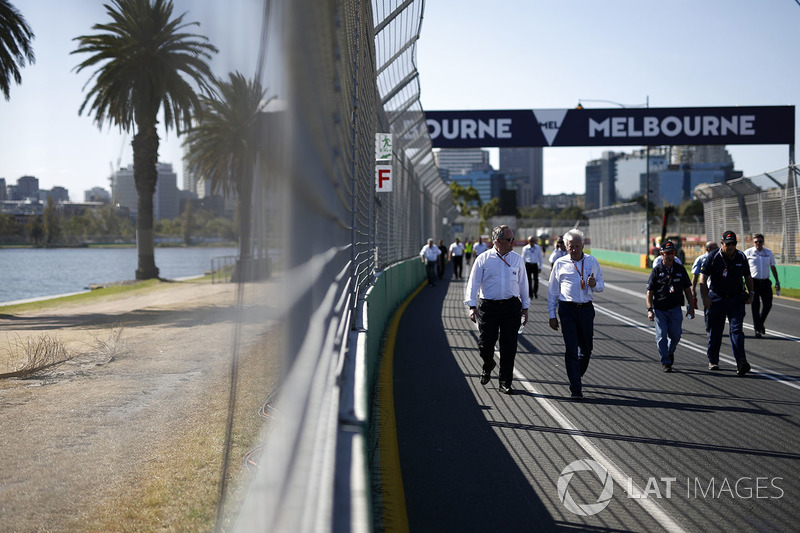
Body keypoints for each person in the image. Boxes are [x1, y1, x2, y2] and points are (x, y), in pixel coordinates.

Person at [464, 225, 530, 394]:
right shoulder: (483, 259)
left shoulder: (517, 259)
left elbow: (523, 285)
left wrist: (525, 308)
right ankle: (488, 363)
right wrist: (472, 306)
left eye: (513, 238)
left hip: (511, 307)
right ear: (498, 241)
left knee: (509, 346)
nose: (513, 242)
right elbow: (473, 284)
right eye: (510, 239)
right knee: (485, 344)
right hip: (489, 307)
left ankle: (505, 382)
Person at [547, 229, 604, 399]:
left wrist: (594, 284)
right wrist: (552, 315)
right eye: (571, 246)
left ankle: (576, 373)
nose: (574, 250)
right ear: (566, 246)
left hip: (586, 309)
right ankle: (575, 387)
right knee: (571, 349)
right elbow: (552, 291)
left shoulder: (592, 261)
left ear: (583, 246)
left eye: (577, 246)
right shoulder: (560, 263)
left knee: (587, 349)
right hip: (567, 310)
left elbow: (601, 285)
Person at [699, 230, 754, 375]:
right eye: (728, 244)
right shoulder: (713, 256)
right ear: (722, 243)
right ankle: (713, 360)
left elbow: (748, 276)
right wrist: (705, 297)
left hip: (736, 299)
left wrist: (751, 292)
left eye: (733, 244)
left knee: (736, 331)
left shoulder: (741, 256)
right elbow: (702, 278)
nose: (731, 247)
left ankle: (741, 362)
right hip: (717, 298)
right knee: (716, 331)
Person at [646, 241, 695, 372]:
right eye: (667, 253)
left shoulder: (680, 269)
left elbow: (687, 289)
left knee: (676, 335)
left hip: (675, 308)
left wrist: (691, 306)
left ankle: (670, 351)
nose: (669, 256)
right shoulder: (656, 271)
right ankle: (666, 362)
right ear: (661, 254)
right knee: (661, 336)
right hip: (660, 309)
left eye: (672, 253)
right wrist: (650, 310)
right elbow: (649, 292)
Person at [745, 233, 780, 338]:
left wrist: (777, 281)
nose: (758, 244)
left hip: (765, 281)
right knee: (755, 306)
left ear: (763, 242)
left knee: (768, 304)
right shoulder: (748, 253)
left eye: (760, 241)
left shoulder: (768, 253)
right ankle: (757, 329)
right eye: (756, 242)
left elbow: (773, 267)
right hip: (753, 282)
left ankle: (760, 323)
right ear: (753, 242)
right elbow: (743, 267)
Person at [691, 241, 719, 332]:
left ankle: (716, 326)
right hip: (705, 286)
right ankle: (709, 326)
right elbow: (695, 275)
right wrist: (693, 289)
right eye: (715, 248)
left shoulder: (720, 257)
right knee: (708, 307)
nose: (717, 249)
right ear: (708, 249)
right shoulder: (701, 259)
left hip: (717, 287)